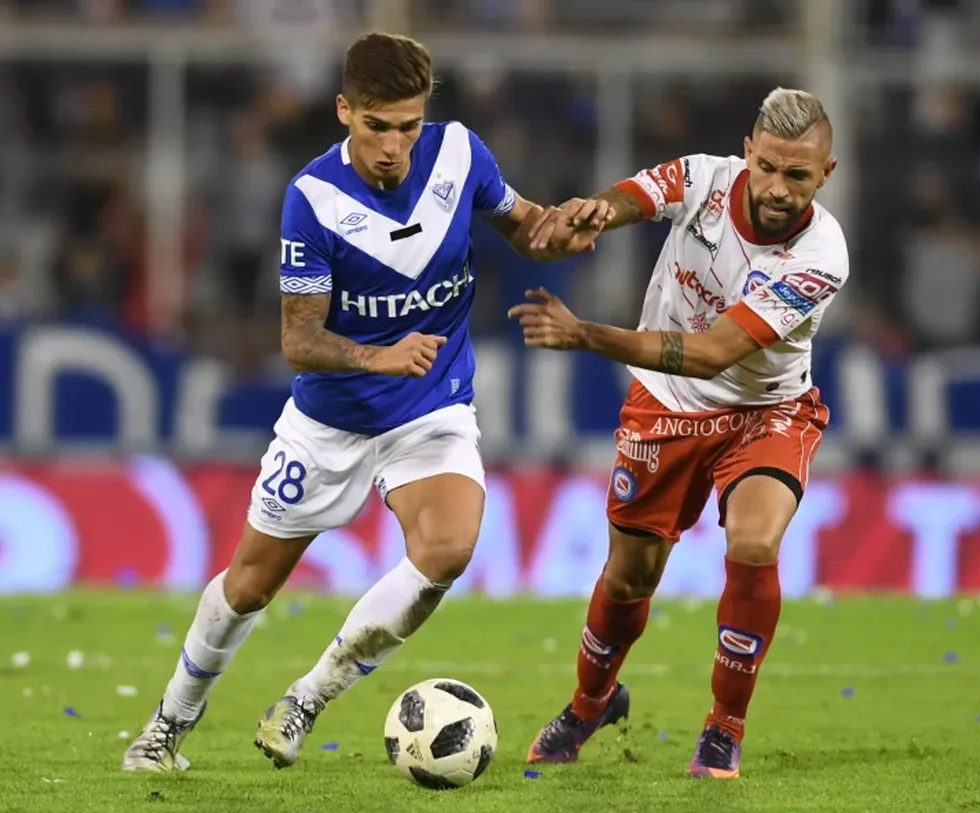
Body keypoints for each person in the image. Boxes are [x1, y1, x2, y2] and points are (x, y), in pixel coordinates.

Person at [123, 31, 608, 774]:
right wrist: (377, 354)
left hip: (430, 406)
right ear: (344, 110)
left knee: (448, 548)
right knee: (249, 585)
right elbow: (298, 339)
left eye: (408, 126)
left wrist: (560, 233)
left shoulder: (460, 154)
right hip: (330, 423)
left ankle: (307, 698)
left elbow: (525, 228)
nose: (393, 146)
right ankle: (167, 726)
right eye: (377, 125)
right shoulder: (312, 200)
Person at [512, 88, 848, 779]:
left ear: (826, 173)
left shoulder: (820, 255)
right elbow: (633, 198)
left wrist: (586, 334)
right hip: (664, 406)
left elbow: (714, 353)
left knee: (754, 541)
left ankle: (724, 726)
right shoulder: (703, 179)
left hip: (766, 411)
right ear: (747, 153)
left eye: (798, 175)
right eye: (767, 167)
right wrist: (590, 214)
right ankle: (590, 702)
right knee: (630, 576)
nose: (778, 188)